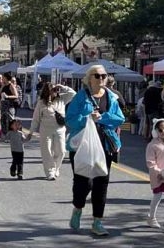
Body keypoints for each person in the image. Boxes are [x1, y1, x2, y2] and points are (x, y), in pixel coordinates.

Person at [66, 65, 125, 236]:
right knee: (83, 182)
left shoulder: (112, 97)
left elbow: (119, 118)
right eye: (97, 76)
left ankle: (97, 221)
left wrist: (103, 118)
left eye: (104, 76)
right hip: (82, 145)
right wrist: (87, 119)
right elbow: (70, 119)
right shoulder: (80, 97)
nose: (101, 79)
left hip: (104, 145)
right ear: (89, 78)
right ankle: (78, 207)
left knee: (101, 183)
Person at [27, 82, 76, 180]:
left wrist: (63, 87)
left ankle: (56, 168)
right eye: (53, 89)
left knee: (61, 151)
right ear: (47, 91)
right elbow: (36, 119)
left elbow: (73, 94)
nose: (56, 91)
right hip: (46, 131)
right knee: (47, 152)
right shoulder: (41, 103)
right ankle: (50, 172)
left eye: (56, 89)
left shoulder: (62, 99)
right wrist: (31, 132)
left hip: (60, 130)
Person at [0, 73, 19, 138]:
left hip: (9, 105)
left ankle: (11, 134)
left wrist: (7, 96)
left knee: (10, 120)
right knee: (3, 119)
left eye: (3, 77)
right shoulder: (4, 85)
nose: (2, 79)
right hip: (3, 105)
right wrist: (2, 86)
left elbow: (16, 95)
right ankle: (5, 134)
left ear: (6, 78)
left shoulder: (11, 85)